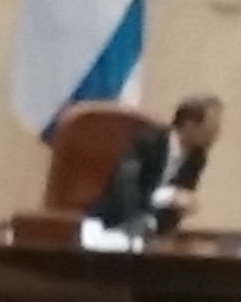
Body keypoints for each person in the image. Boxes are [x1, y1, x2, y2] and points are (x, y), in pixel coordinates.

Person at [91, 94, 221, 236]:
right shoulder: (148, 142)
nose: (216, 133)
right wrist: (169, 197)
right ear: (190, 125)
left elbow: (176, 210)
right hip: (113, 225)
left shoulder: (196, 158)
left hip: (153, 233)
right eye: (212, 127)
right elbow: (126, 190)